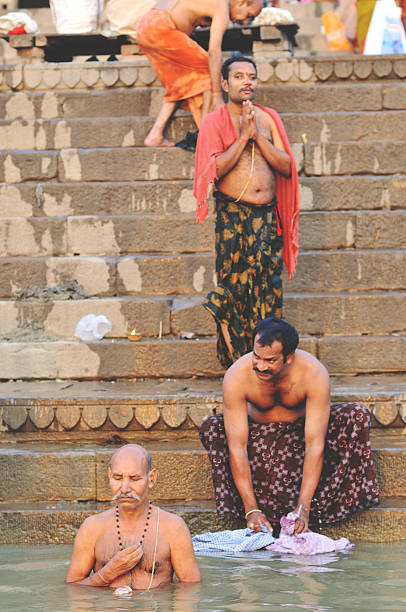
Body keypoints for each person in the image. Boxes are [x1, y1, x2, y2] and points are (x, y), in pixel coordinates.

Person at [199, 317, 380, 534]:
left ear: (289, 358)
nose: (260, 366)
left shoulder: (313, 373)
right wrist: (251, 510)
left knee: (357, 416)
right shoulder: (237, 376)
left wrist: (303, 507)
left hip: (301, 437)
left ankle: (316, 511)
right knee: (212, 427)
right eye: (257, 357)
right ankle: (256, 513)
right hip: (260, 441)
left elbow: (315, 444)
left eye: (270, 360)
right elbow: (237, 445)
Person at [194, 55, 300, 368]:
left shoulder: (268, 118)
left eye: (251, 76)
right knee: (233, 288)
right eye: (239, 76)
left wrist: (257, 137)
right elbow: (212, 170)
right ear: (225, 84)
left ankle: (269, 360)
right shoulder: (214, 121)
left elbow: (286, 166)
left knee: (267, 286)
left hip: (266, 217)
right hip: (233, 216)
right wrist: (241, 138)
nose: (247, 82)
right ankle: (237, 363)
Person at [66, 444, 201, 589]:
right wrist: (109, 572)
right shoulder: (92, 528)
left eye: (134, 478)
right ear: (109, 475)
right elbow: (73, 589)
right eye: (117, 478)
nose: (124, 488)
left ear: (151, 479)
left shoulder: (173, 527)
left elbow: (191, 589)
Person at [136, 0, 263, 146]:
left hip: (145, 26)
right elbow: (214, 51)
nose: (246, 22)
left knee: (180, 82)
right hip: (161, 28)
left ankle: (155, 135)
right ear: (242, 2)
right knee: (210, 70)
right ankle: (206, 136)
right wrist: (217, 95)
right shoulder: (222, 6)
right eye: (249, 15)